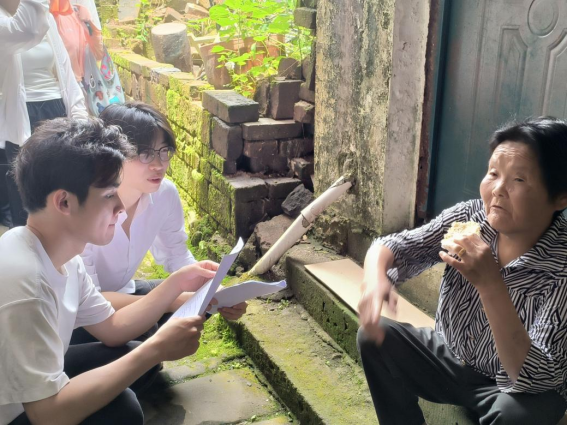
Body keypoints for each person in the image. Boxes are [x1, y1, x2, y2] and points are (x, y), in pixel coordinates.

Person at [0, 118, 217, 425]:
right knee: (122, 409)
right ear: (64, 201)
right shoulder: (27, 285)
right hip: (16, 412)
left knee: (131, 356)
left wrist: (177, 283)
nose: (120, 207)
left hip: (33, 388)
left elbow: (112, 327)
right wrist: (156, 349)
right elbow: (47, 415)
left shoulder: (60, 254)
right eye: (108, 195)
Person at [358, 117, 567, 425]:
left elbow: (535, 376)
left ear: (560, 197)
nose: (498, 190)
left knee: (518, 415)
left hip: (512, 388)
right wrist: (376, 280)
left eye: (519, 180)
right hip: (449, 358)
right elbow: (393, 246)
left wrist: (490, 283)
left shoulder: (561, 266)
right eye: (493, 173)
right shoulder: (471, 217)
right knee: (373, 338)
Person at [71, 102, 247, 345]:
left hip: (124, 291)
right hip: (78, 315)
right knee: (147, 329)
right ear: (111, 153)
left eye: (164, 151)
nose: (159, 164)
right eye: (144, 153)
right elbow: (90, 300)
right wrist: (172, 300)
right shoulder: (84, 207)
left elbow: (177, 254)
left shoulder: (164, 193)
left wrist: (214, 290)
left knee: (201, 303)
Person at [0, 0, 88, 227]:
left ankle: (62, 246)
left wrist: (80, 119)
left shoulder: (44, 18)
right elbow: (26, 31)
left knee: (62, 192)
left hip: (55, 111)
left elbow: (65, 72)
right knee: (27, 204)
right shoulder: (9, 21)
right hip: (20, 118)